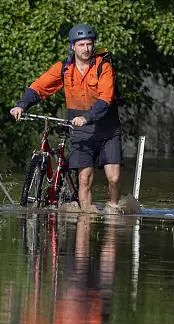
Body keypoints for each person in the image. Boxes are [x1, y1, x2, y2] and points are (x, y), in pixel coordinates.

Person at [10, 23, 122, 214]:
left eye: (89, 44)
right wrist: (21, 105)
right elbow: (39, 87)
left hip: (107, 129)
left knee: (114, 178)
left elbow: (105, 99)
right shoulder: (64, 68)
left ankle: (113, 212)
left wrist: (87, 117)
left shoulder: (104, 67)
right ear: (73, 46)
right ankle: (85, 222)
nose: (86, 49)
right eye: (81, 45)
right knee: (84, 179)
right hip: (80, 130)